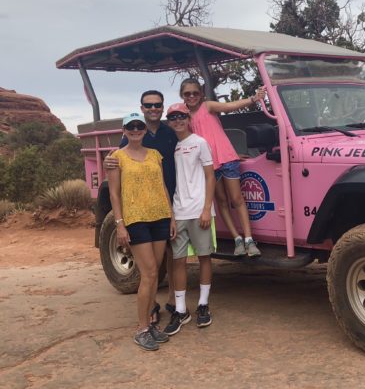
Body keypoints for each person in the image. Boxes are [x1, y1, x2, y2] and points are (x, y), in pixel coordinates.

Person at [104, 90, 179, 321]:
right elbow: (117, 171)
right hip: (138, 211)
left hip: (167, 200)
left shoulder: (171, 131)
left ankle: (174, 302)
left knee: (172, 254)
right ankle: (148, 313)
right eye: (148, 105)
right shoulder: (126, 143)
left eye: (157, 105)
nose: (153, 108)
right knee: (150, 269)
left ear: (162, 107)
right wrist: (120, 223)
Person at [179, 78, 265, 257]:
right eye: (188, 94)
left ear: (201, 94)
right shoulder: (184, 117)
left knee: (236, 198)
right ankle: (237, 239)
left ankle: (249, 239)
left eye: (195, 92)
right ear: (182, 96)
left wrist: (253, 99)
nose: (192, 96)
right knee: (221, 201)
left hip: (226, 158)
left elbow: (230, 106)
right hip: (208, 164)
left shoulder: (208, 106)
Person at [163, 103, 216, 335]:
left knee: (204, 257)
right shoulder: (171, 145)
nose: (178, 121)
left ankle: (203, 305)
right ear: (169, 121)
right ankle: (181, 310)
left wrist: (207, 209)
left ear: (188, 118)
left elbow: (210, 176)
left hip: (198, 210)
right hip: (179, 210)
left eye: (181, 117)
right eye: (173, 118)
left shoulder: (200, 142)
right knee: (178, 261)